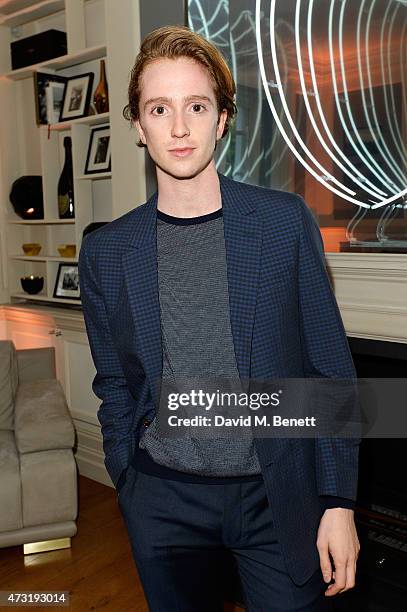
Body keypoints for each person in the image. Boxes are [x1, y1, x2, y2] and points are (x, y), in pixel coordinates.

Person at [79, 25, 360, 612]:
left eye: (197, 106)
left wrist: (338, 502)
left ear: (223, 117)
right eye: (160, 108)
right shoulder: (107, 251)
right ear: (138, 123)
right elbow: (115, 384)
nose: (179, 128)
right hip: (164, 500)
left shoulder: (284, 223)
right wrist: (130, 484)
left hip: (277, 494)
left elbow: (329, 370)